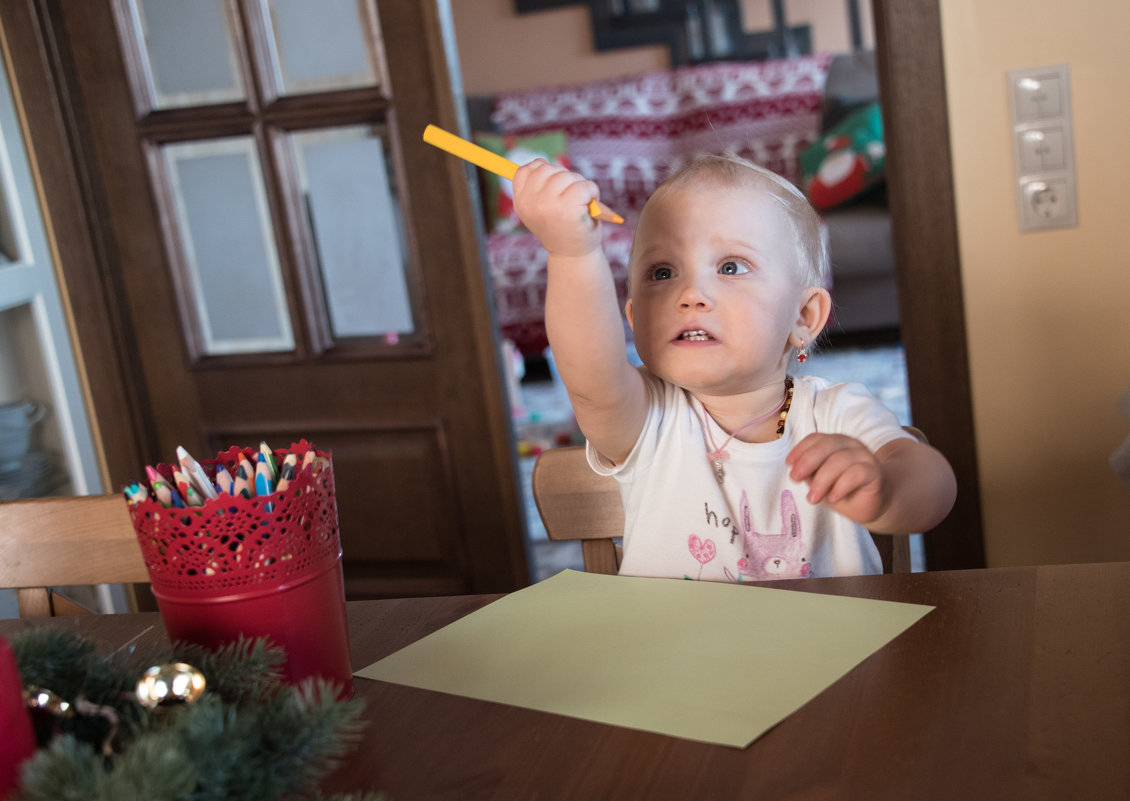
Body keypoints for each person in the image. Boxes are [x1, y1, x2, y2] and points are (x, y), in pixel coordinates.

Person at [512, 154, 957, 581]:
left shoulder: (837, 412)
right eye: (662, 273)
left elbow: (936, 489)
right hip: (677, 656)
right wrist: (572, 254)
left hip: (830, 654)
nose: (691, 294)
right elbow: (592, 378)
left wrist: (886, 489)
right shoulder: (647, 419)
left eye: (730, 266)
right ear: (632, 319)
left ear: (803, 318)